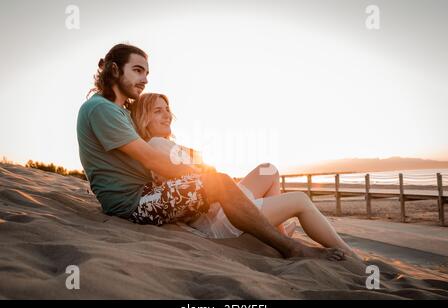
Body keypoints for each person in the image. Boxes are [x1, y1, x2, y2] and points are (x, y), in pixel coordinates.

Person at [77, 43, 350, 261]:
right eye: (137, 70)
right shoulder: (102, 108)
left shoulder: (117, 110)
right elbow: (150, 158)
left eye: (147, 72)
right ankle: (291, 248)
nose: (145, 79)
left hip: (143, 197)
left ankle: (269, 233)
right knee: (216, 181)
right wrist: (201, 175)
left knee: (223, 179)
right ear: (114, 70)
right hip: (134, 204)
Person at [128, 92, 360, 260]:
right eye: (158, 111)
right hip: (221, 218)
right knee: (300, 200)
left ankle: (275, 234)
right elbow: (200, 179)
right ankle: (352, 258)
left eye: (167, 109)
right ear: (144, 119)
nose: (167, 115)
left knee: (268, 169)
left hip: (223, 208)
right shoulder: (157, 145)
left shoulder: (165, 144)